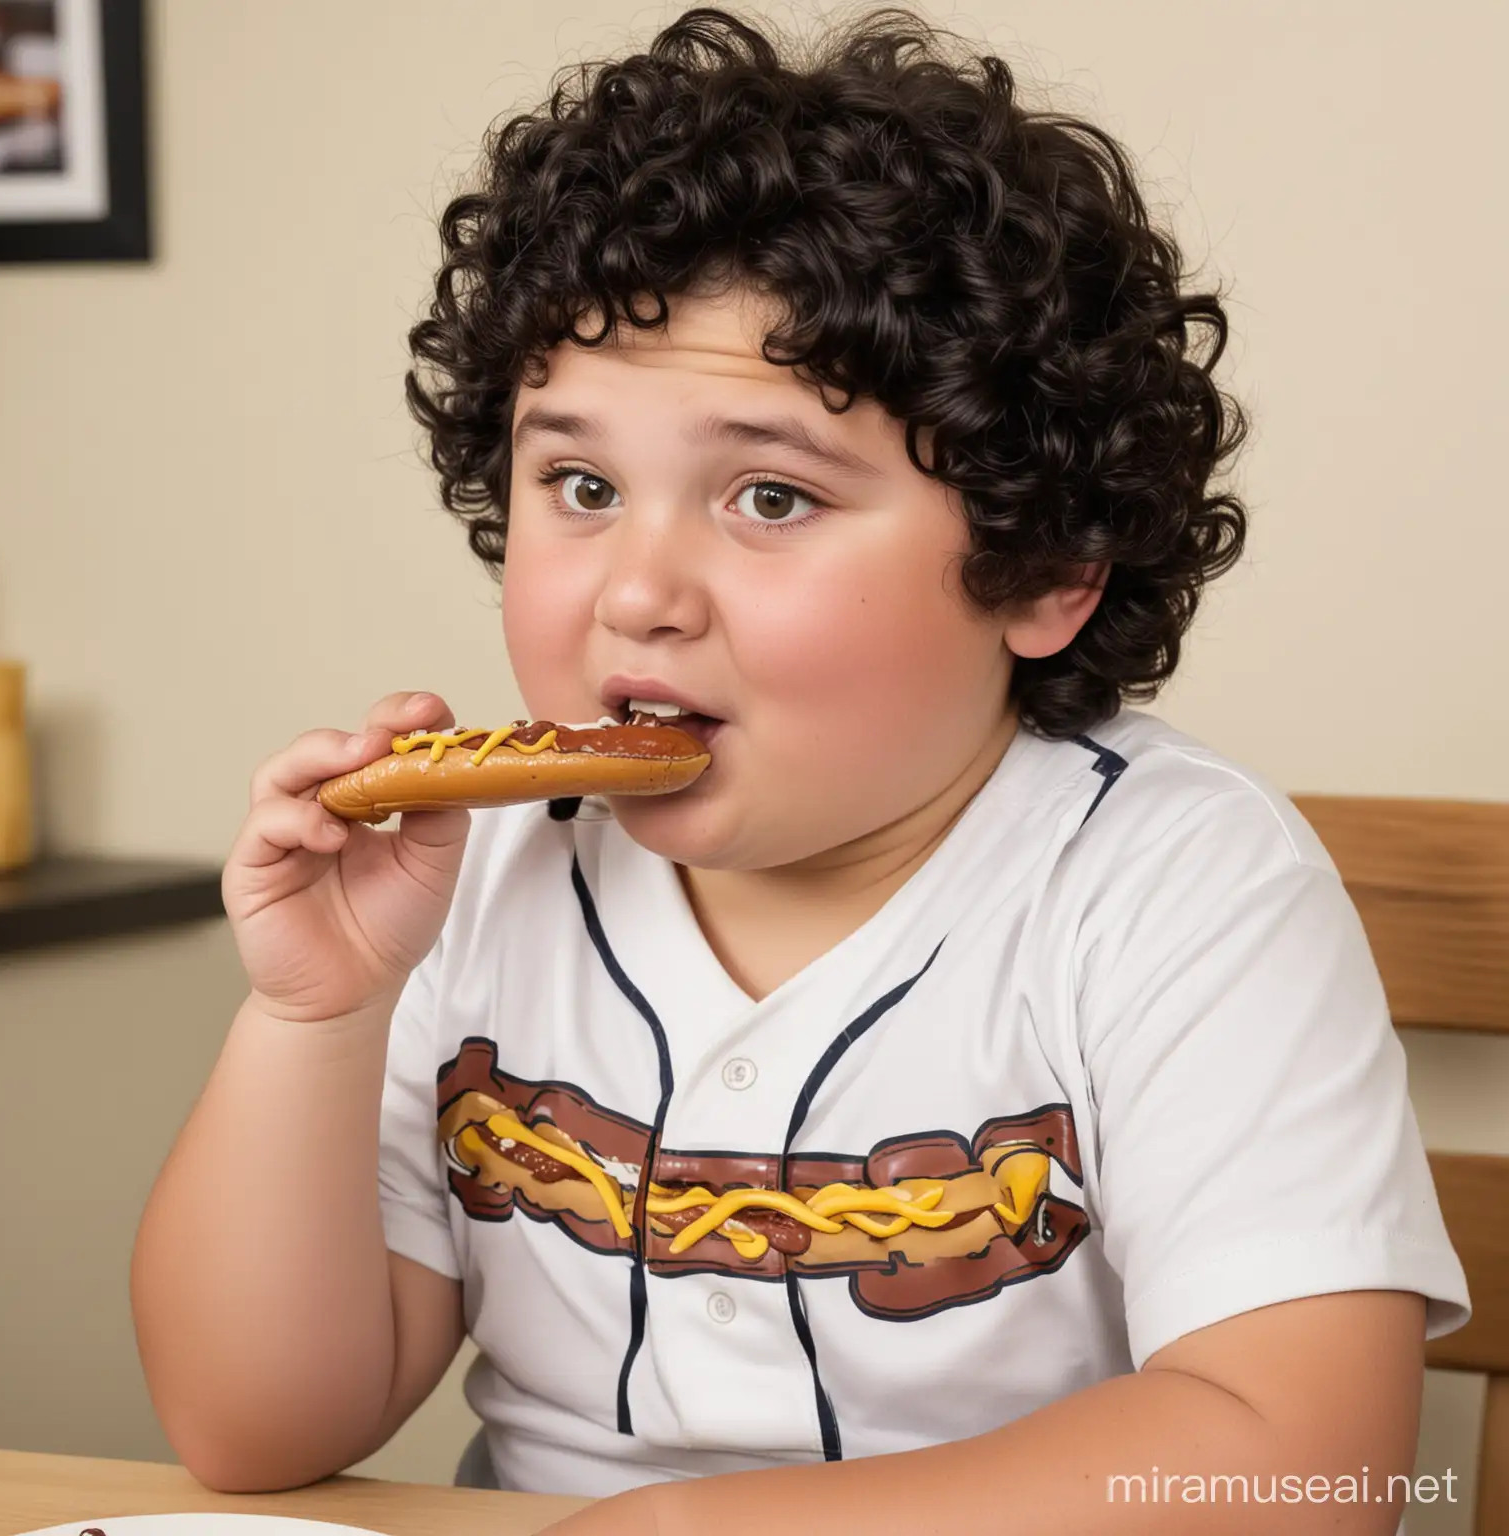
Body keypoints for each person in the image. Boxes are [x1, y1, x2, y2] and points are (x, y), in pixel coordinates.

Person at [131, 8, 1468, 1532]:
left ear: (1046, 568)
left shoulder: (1176, 885)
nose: (638, 590)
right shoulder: (483, 870)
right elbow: (253, 1429)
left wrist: (698, 1528)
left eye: (768, 495)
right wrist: (318, 1012)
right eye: (580, 483)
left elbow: (1311, 1465)